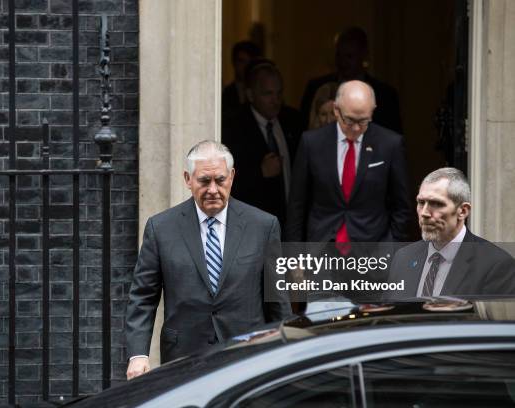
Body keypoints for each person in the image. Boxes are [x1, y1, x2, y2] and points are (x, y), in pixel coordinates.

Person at [125, 141, 292, 379]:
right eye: (204, 181)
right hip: (183, 356)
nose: (213, 189)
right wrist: (138, 355)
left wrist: (284, 350)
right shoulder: (161, 228)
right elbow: (142, 297)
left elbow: (276, 298)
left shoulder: (263, 226)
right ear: (188, 179)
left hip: (246, 351)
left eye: (220, 180)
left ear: (232, 177)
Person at [285, 80, 410, 244]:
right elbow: (296, 205)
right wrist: (294, 258)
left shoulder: (389, 144)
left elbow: (402, 206)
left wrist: (392, 251)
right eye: (350, 120)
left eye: (363, 121)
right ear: (336, 110)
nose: (357, 128)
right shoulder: (312, 142)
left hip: (372, 251)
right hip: (322, 248)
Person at [387, 168, 515, 299]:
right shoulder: (402, 258)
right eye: (421, 202)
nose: (424, 213)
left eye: (436, 204)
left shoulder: (496, 265)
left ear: (463, 211)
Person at [222, 60, 303, 227]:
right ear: (250, 95)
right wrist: (260, 172)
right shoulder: (233, 127)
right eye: (268, 94)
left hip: (291, 225)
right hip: (252, 225)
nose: (276, 100)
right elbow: (225, 181)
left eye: (279, 93)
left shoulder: (293, 121)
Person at [299, 27, 402, 133]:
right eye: (339, 55)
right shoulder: (316, 88)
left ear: (363, 55)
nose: (343, 62)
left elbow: (394, 139)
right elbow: (302, 132)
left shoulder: (385, 95)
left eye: (349, 56)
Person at [222, 41, 262, 122]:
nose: (245, 66)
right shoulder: (225, 93)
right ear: (234, 63)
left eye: (249, 62)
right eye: (241, 61)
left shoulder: (265, 92)